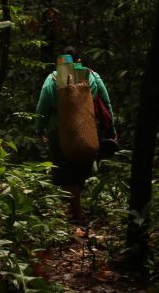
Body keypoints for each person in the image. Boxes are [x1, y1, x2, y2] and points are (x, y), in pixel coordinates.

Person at [34, 48, 115, 224]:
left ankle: (75, 213)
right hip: (87, 129)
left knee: (65, 171)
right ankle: (75, 210)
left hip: (58, 131)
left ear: (61, 61)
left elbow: (43, 107)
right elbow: (106, 103)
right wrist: (112, 130)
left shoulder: (53, 78)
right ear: (79, 60)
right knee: (80, 170)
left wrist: (40, 128)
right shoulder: (91, 76)